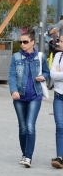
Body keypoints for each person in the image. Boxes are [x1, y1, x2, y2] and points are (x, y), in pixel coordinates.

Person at [9, 30, 49, 168]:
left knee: (30, 126)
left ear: (32, 42)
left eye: (25, 42)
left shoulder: (40, 57)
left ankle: (28, 156)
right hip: (19, 96)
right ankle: (24, 153)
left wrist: (43, 76)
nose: (22, 44)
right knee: (23, 127)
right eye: (20, 42)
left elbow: (46, 72)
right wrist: (13, 90)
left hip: (35, 96)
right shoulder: (16, 57)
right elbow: (12, 75)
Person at [50, 39, 63, 168]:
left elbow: (57, 74)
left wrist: (59, 73)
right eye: (60, 41)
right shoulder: (58, 56)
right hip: (59, 96)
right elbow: (52, 74)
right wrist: (57, 73)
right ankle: (60, 157)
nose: (59, 43)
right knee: (60, 126)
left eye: (62, 41)